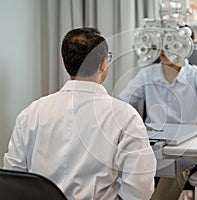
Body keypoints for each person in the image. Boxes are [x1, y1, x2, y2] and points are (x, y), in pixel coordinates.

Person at [3, 28, 156, 200]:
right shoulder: (125, 117)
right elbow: (139, 189)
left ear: (63, 62)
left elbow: (14, 177)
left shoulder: (31, 113)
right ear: (104, 64)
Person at [119, 35, 197, 199]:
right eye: (162, 45)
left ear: (184, 47)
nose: (164, 51)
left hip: (188, 146)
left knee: (177, 163)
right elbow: (121, 103)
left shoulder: (195, 74)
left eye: (172, 45)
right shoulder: (148, 74)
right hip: (155, 143)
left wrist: (191, 130)